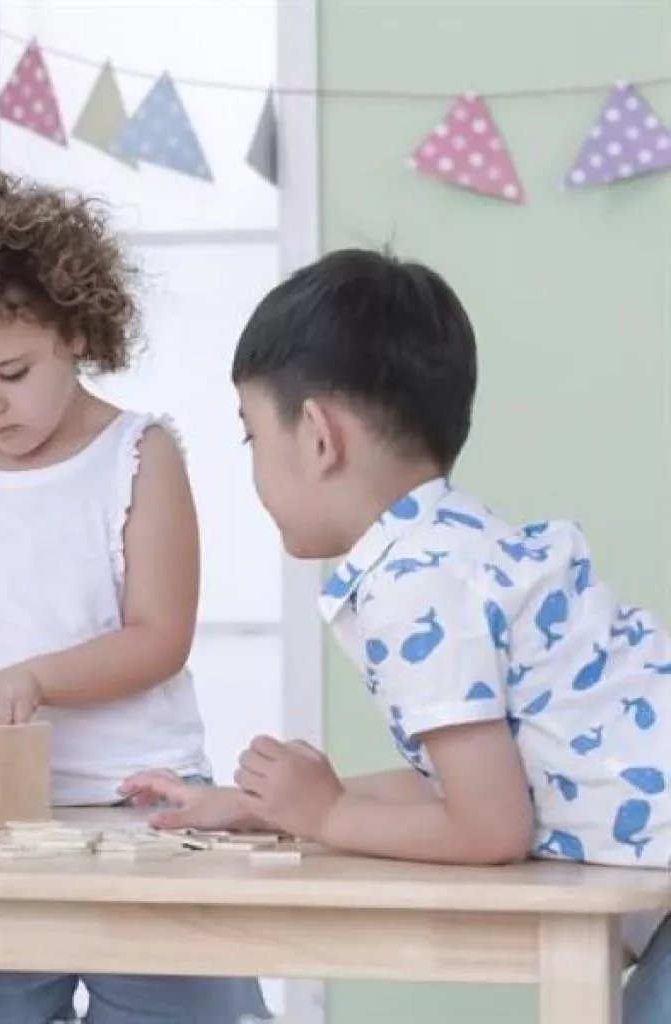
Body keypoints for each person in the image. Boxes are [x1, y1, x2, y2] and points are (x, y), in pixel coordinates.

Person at [121, 247, 670, 1022]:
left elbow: (490, 827)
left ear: (318, 437)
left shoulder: (415, 584)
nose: (252, 469)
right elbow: (469, 782)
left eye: (251, 437)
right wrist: (270, 806)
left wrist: (324, 817)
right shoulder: (453, 545)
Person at [0, 168, 269, 1024]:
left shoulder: (139, 457)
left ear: (73, 329)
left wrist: (32, 680)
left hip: (141, 803)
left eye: (11, 371)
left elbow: (159, 637)